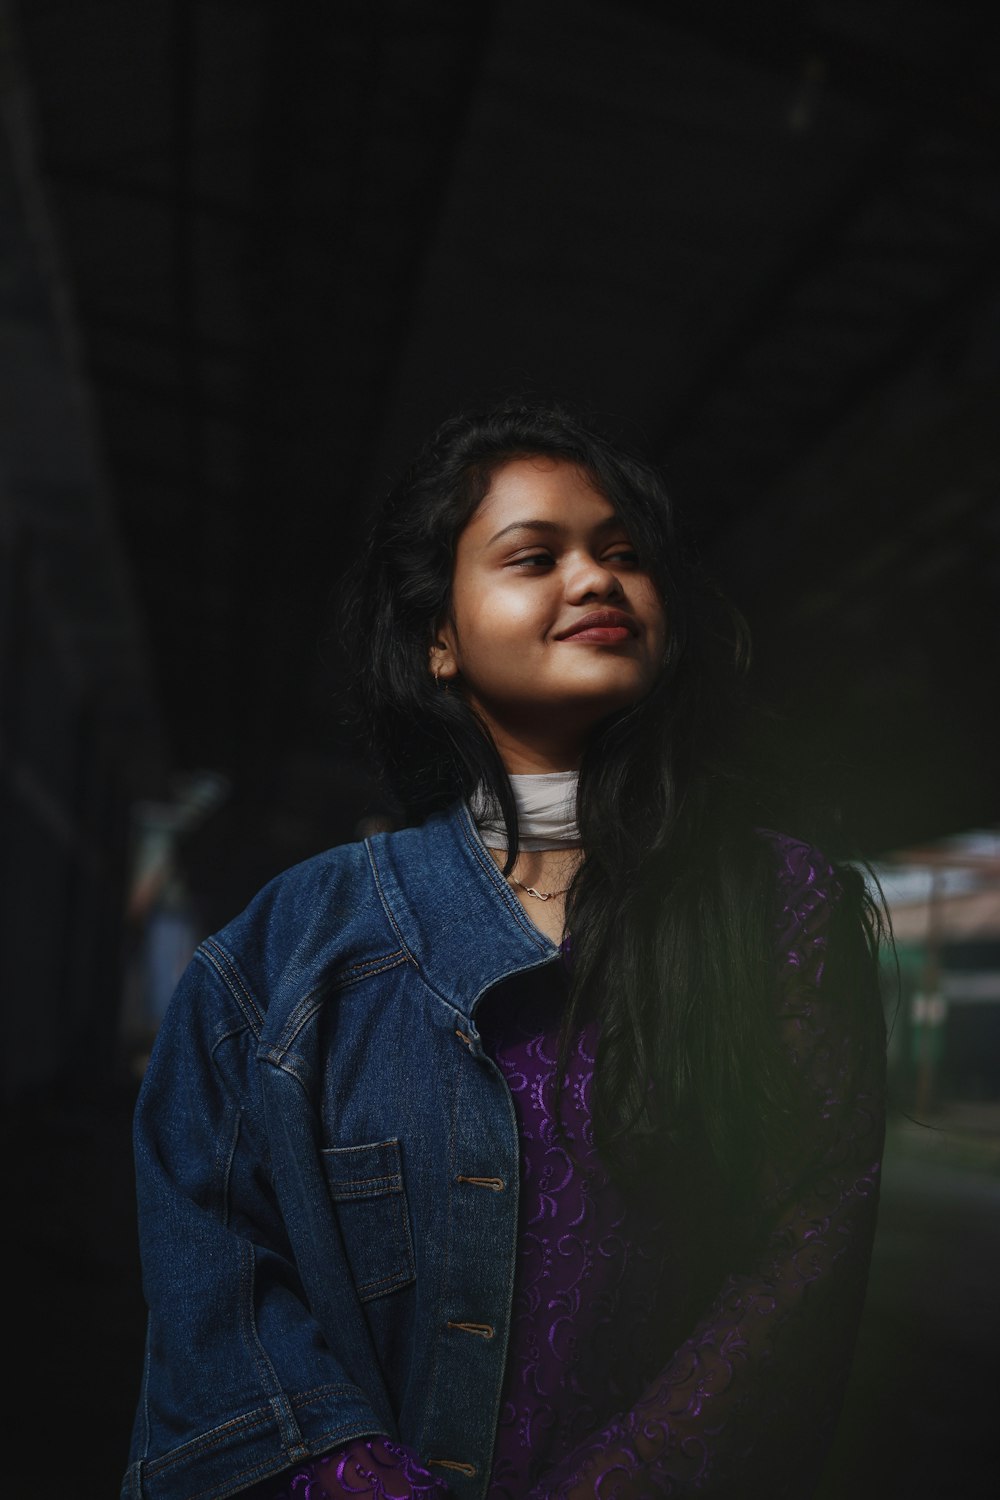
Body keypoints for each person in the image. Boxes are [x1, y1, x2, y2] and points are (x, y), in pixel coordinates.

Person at [121, 399, 887, 1500]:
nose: (595, 579)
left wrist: (622, 1477)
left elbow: (811, 1235)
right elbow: (216, 1270)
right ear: (440, 637)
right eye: (536, 557)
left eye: (623, 554)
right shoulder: (292, 943)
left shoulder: (779, 906)